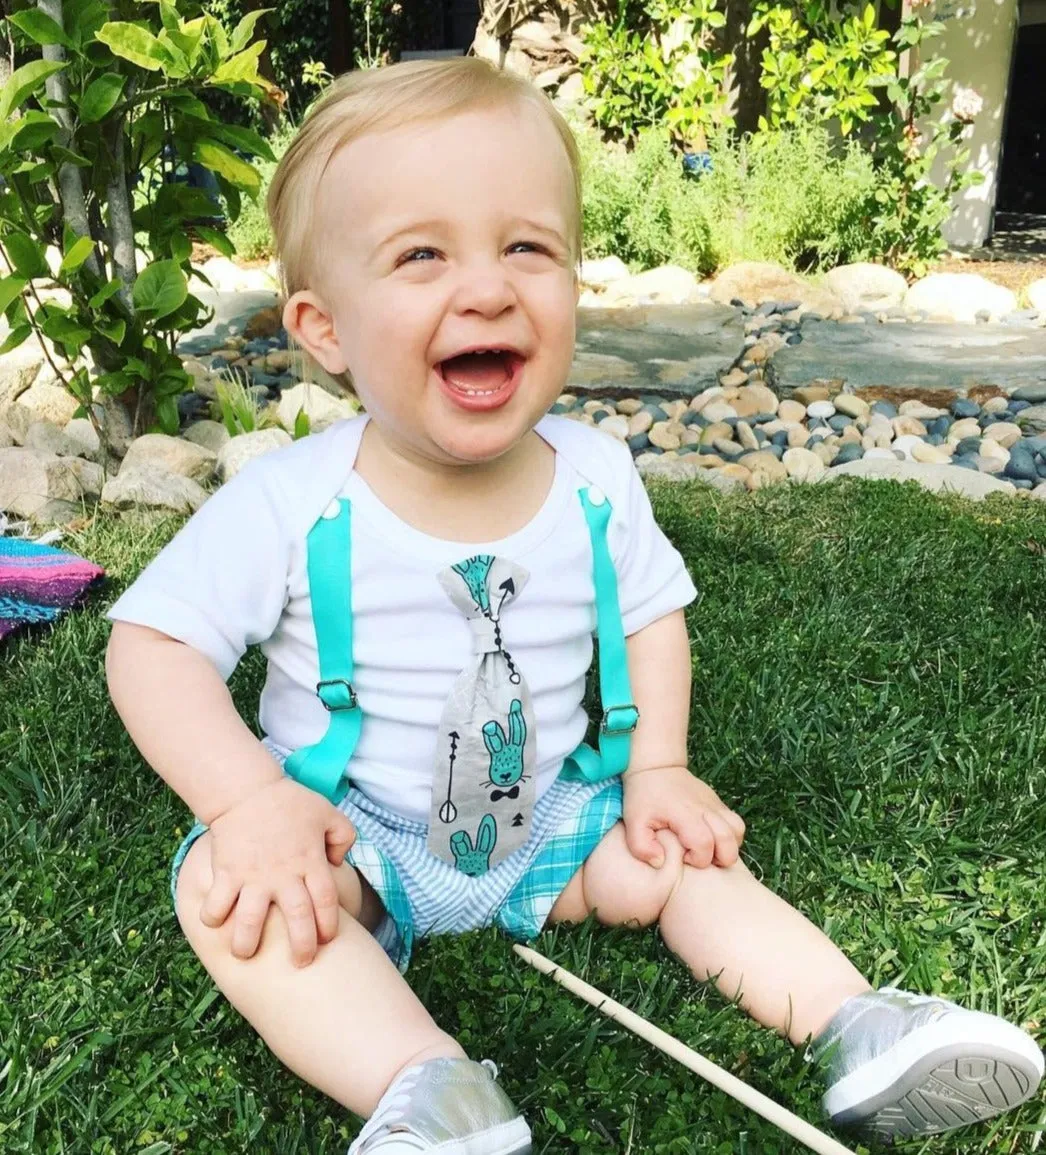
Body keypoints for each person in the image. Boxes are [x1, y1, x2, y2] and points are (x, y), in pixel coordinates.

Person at [106, 58, 1043, 1155]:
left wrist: (655, 772)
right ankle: (427, 1089)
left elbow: (650, 616)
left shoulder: (595, 476)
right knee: (235, 892)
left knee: (683, 860)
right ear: (322, 328)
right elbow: (152, 646)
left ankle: (855, 1022)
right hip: (350, 836)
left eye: (526, 246)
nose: (488, 288)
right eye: (420, 255)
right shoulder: (286, 502)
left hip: (552, 821)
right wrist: (250, 804)